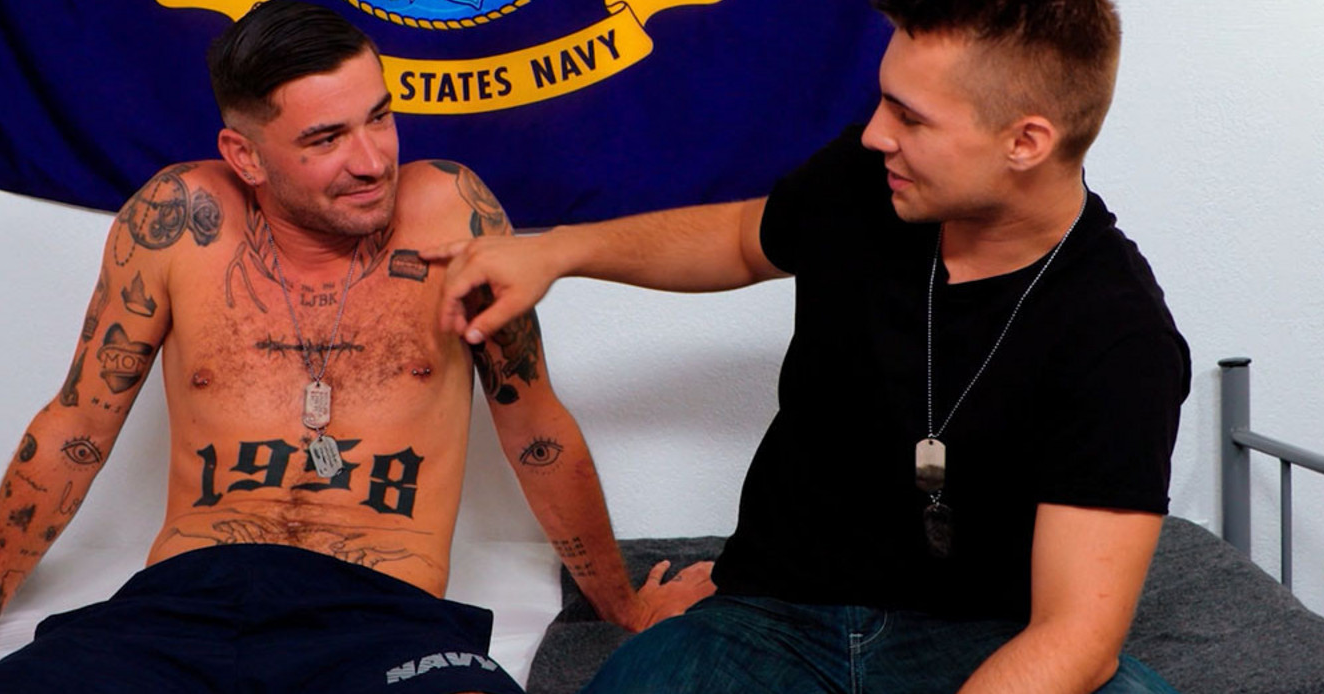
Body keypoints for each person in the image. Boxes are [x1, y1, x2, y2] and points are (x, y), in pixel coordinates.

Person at [427, 0, 1190, 692]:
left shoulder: (1120, 337)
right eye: (883, 100)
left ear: (1025, 141)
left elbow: (1076, 636)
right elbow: (739, 238)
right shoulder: (869, 181)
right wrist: (557, 250)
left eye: (910, 117)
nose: (876, 133)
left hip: (978, 637)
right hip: (773, 618)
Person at [0, 3, 711, 692]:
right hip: (180, 606)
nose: (373, 160)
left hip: (382, 614)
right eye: (326, 139)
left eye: (379, 118)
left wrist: (624, 607)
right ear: (246, 156)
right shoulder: (180, 217)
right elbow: (77, 429)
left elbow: (533, 428)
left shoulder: (451, 213)